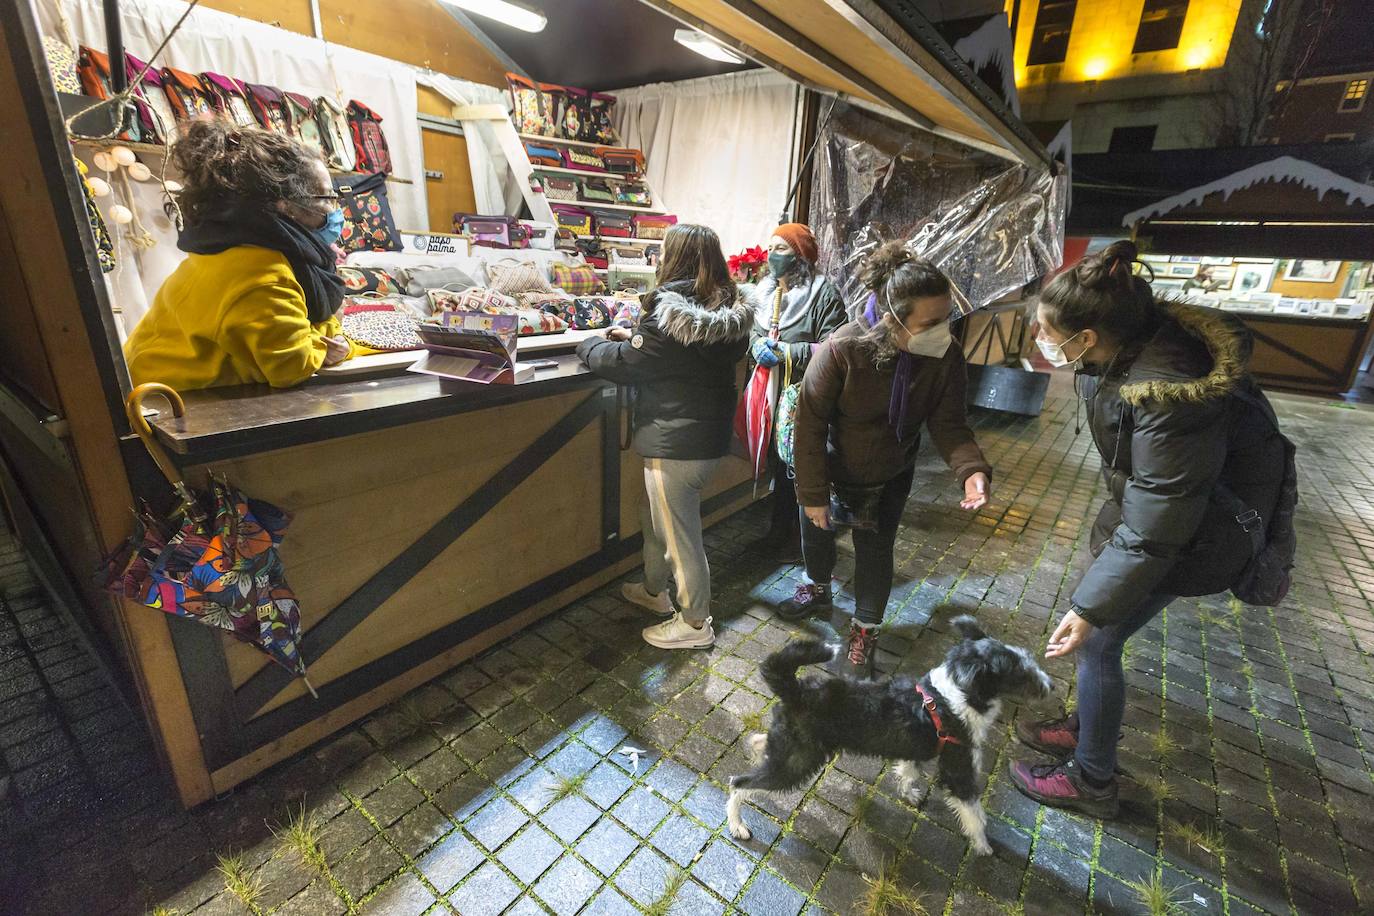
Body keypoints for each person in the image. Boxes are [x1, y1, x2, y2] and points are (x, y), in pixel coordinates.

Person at [1009, 240, 1286, 819]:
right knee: (1098, 626)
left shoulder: (1170, 392)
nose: (1039, 338)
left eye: (1045, 331)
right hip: (1171, 516)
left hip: (1201, 532)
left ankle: (1092, 779)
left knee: (1099, 639)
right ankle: (1084, 730)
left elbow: (1162, 512)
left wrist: (1091, 607)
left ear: (1086, 337)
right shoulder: (1123, 346)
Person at [786, 243, 992, 678]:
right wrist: (813, 494)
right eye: (931, 323)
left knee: (876, 551)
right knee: (816, 533)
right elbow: (809, 424)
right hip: (832, 466)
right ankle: (818, 586)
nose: (943, 331)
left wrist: (971, 471)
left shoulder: (944, 356)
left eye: (946, 318)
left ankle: (865, 631)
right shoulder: (843, 349)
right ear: (893, 319)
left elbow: (950, 422)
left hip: (890, 471)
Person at [578, 224, 753, 650]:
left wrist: (588, 344)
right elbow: (663, 354)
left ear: (673, 258)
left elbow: (625, 363)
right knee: (655, 519)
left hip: (675, 444)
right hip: (703, 438)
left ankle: (695, 623)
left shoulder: (669, 317)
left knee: (679, 536)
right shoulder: (727, 313)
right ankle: (655, 590)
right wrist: (637, 339)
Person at [124, 119, 351, 390]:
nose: (334, 209)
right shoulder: (263, 273)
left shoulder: (227, 248)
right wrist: (328, 331)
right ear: (285, 205)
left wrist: (320, 337)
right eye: (325, 198)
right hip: (170, 407)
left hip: (167, 393)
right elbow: (291, 366)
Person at [746, 223, 847, 559]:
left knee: (800, 465)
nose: (772, 255)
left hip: (805, 396)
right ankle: (778, 532)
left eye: (782, 249)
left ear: (801, 256)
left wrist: (790, 353)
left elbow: (834, 348)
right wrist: (756, 344)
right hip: (770, 394)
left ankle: (805, 542)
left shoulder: (823, 295)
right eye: (770, 247)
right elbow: (749, 331)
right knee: (779, 464)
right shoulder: (762, 292)